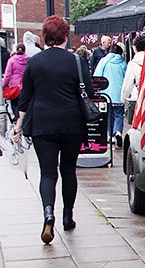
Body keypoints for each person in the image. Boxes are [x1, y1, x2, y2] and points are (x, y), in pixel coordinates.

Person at [12, 15, 95, 244]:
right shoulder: (76, 61)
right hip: (71, 124)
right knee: (68, 170)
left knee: (48, 173)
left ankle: (48, 213)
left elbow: (25, 98)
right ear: (66, 36)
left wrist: (18, 126)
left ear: (45, 37)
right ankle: (68, 217)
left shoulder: (34, 62)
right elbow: (88, 91)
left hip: (43, 125)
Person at [93, 42, 127, 146]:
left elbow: (97, 76)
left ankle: (110, 135)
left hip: (106, 94)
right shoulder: (123, 63)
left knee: (108, 115)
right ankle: (118, 132)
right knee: (118, 115)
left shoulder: (104, 61)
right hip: (119, 95)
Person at [2, 43, 29, 118]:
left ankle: (17, 119)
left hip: (14, 88)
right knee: (25, 105)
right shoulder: (29, 60)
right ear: (24, 50)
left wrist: (3, 85)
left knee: (14, 105)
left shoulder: (12, 60)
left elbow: (7, 75)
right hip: (26, 86)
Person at [121, 35, 145, 106]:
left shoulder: (133, 64)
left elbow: (128, 83)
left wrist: (123, 99)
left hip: (138, 97)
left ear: (134, 47)